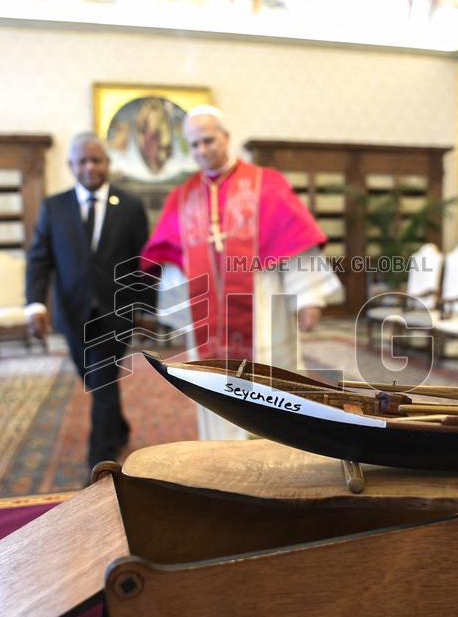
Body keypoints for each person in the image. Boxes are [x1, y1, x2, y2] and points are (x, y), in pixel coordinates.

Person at [141, 105, 342, 440]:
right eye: (194, 145)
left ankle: (279, 446)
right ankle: (221, 452)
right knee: (212, 383)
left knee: (273, 377)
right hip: (208, 314)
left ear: (226, 137)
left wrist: (308, 298)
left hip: (265, 301)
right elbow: (174, 260)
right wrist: (178, 309)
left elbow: (295, 243)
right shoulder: (183, 196)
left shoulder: (266, 185)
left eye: (208, 140)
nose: (202, 150)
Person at [26, 132, 149, 469]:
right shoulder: (54, 207)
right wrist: (35, 304)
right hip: (72, 313)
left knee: (102, 380)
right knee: (95, 380)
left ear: (108, 163)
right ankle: (120, 428)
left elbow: (144, 262)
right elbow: (39, 259)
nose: (90, 166)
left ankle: (101, 460)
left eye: (97, 159)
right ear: (71, 165)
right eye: (82, 160)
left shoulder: (130, 206)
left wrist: (147, 308)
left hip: (116, 312)